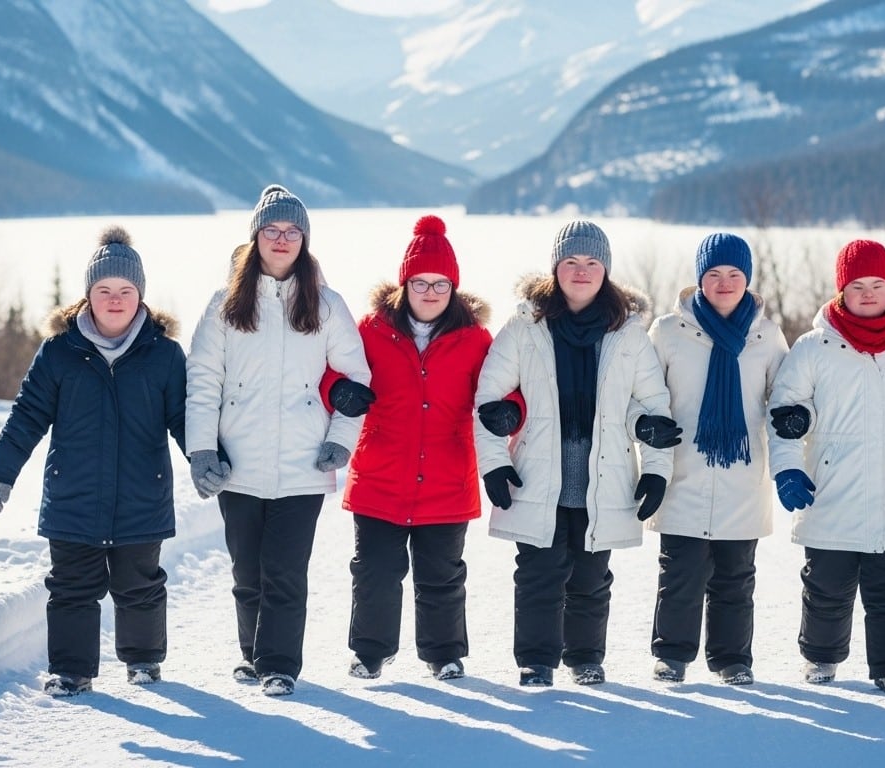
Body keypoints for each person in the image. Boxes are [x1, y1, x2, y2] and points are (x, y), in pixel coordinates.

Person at [474, 220, 679, 687]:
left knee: (590, 577)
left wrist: (657, 470)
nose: (581, 271)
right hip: (537, 473)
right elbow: (489, 399)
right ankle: (537, 661)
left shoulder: (627, 332)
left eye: (591, 263)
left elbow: (651, 407)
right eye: (571, 262)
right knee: (538, 575)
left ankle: (585, 657)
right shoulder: (526, 325)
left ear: (605, 270)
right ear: (555, 268)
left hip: (602, 476)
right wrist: (494, 462)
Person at [185, 184, 370, 697]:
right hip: (237, 462)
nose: (282, 239)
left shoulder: (327, 304)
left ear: (304, 240)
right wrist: (201, 449)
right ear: (256, 238)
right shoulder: (225, 304)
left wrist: (340, 441)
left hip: (303, 463)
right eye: (272, 230)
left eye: (292, 232)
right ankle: (252, 654)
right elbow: (202, 379)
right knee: (248, 572)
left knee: (285, 570)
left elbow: (357, 381)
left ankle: (279, 665)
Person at [0, 227, 186, 697]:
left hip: (142, 492)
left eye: (125, 291)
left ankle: (143, 661)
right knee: (72, 586)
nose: (114, 300)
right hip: (73, 495)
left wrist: (206, 460)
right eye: (104, 291)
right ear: (88, 295)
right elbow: (28, 414)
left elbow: (185, 418)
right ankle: (72, 671)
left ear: (140, 296)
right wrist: (1, 470)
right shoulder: (60, 353)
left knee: (140, 584)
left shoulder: (165, 356)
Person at [767, 239, 885, 695]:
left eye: (877, 284)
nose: (867, 293)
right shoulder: (812, 348)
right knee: (827, 585)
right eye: (857, 285)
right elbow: (784, 411)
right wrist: (787, 468)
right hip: (831, 486)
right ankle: (820, 658)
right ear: (841, 290)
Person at [336, 214, 493, 682]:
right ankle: (370, 652)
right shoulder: (369, 331)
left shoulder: (476, 340)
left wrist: (513, 410)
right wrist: (336, 391)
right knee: (375, 574)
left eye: (440, 283)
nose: (429, 292)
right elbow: (332, 370)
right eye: (419, 282)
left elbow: (506, 389)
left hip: (448, 476)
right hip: (381, 475)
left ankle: (443, 653)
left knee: (441, 576)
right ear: (403, 285)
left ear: (455, 288)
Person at [643, 233, 787, 686]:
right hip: (683, 469)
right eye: (713, 274)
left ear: (748, 279)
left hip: (742, 476)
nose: (724, 283)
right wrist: (648, 434)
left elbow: (783, 398)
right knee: (680, 572)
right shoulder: (668, 331)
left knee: (735, 576)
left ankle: (732, 659)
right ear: (699, 278)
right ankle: (672, 655)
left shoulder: (767, 335)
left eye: (734, 274)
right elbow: (646, 396)